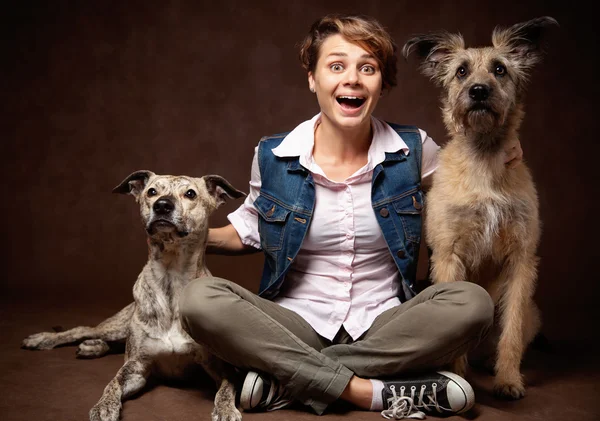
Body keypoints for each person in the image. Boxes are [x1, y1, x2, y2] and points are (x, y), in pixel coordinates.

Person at [179, 14, 522, 419]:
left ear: (382, 83)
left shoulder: (415, 151)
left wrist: (506, 150)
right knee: (199, 300)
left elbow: (469, 168)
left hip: (387, 324)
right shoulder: (273, 155)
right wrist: (183, 231)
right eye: (336, 65)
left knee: (472, 303)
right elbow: (247, 230)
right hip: (294, 323)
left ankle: (286, 378)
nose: (353, 79)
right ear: (313, 78)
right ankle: (371, 392)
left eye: (368, 68)